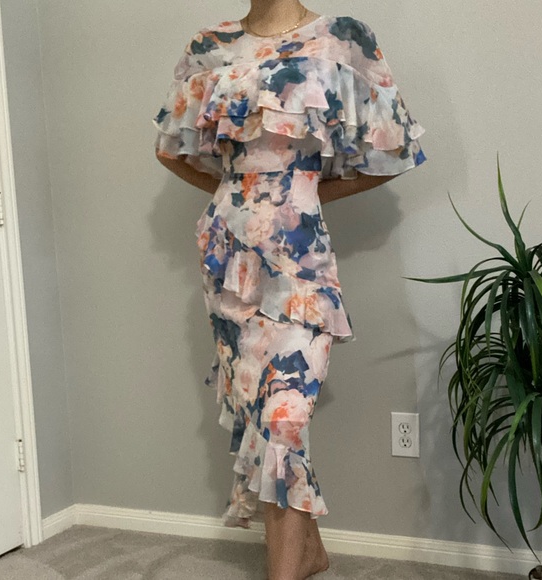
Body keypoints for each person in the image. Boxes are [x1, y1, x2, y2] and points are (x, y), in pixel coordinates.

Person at [153, 2, 426, 578]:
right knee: (263, 413)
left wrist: (296, 192)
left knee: (286, 416)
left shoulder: (344, 37)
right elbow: (170, 148)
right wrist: (240, 190)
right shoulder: (208, 45)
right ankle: (309, 552)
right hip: (227, 260)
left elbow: (393, 148)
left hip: (298, 259)